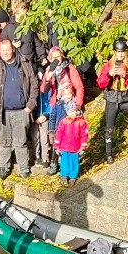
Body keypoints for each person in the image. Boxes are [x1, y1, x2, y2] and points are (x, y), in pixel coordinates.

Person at [0, 34, 38, 180]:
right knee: (4, 142)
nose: (5, 53)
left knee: (21, 142)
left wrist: (30, 106)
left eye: (8, 50)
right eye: (3, 50)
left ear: (13, 49)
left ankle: (24, 169)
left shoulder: (24, 63)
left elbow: (34, 85)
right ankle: (5, 167)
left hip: (21, 111)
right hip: (1, 112)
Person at [39, 46, 86, 174]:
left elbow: (79, 87)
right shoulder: (50, 69)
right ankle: (54, 162)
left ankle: (68, 161)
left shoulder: (70, 68)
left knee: (69, 133)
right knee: (56, 133)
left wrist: (78, 105)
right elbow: (44, 90)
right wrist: (48, 77)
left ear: (62, 56)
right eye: (53, 58)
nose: (56, 60)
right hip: (57, 104)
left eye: (57, 57)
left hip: (70, 104)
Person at [4, 0, 48, 71]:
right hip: (16, 66)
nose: (25, 18)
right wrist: (12, 46)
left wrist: (43, 57)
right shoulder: (9, 28)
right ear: (16, 15)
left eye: (26, 15)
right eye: (23, 15)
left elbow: (37, 44)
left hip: (31, 65)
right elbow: (1, 46)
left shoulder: (29, 27)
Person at [53, 102, 89, 186]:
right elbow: (59, 134)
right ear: (67, 112)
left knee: (74, 163)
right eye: (70, 112)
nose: (72, 113)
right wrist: (57, 146)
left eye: (73, 111)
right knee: (65, 162)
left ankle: (73, 177)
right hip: (64, 147)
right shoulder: (64, 122)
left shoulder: (81, 122)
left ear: (76, 111)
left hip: (75, 148)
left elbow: (84, 135)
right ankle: (64, 176)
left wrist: (83, 147)